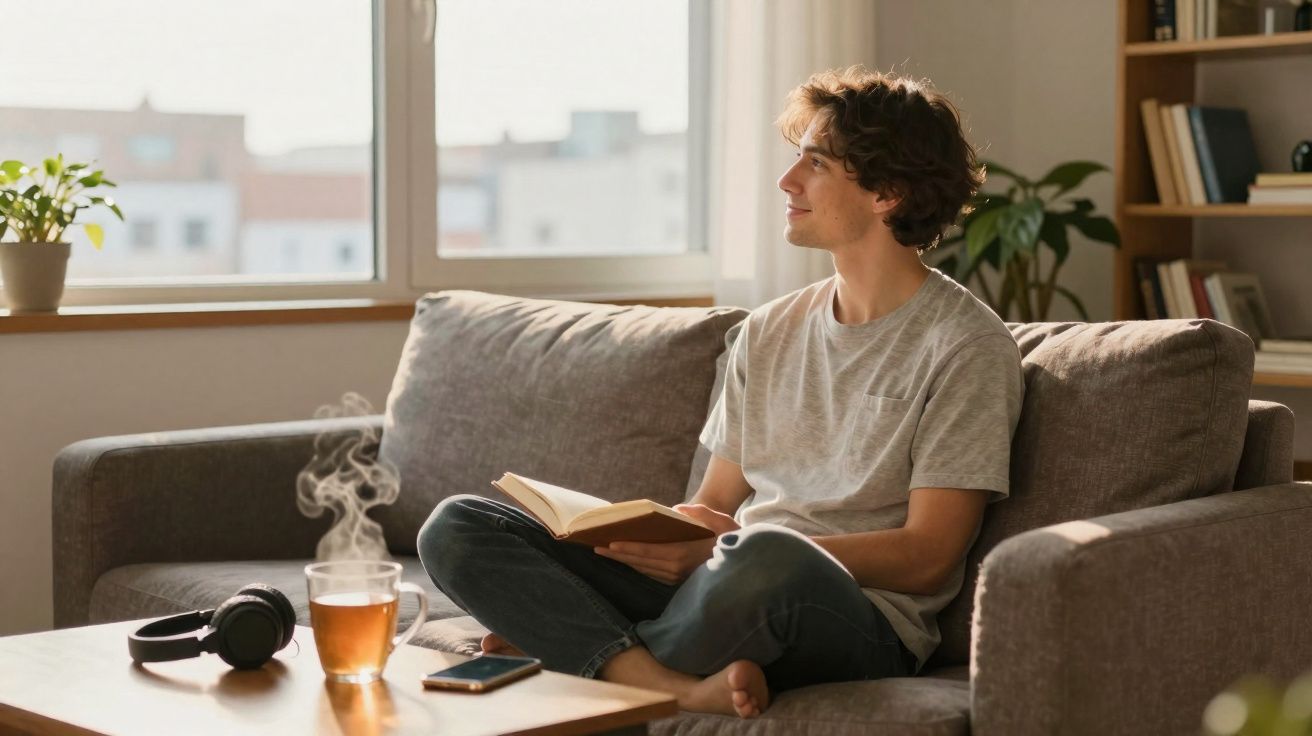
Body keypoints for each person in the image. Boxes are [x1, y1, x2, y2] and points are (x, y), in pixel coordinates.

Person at [417, 65, 1024, 719]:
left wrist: (724, 547)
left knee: (766, 555)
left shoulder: (966, 346)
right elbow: (713, 504)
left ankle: (575, 655)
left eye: (815, 164)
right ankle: (665, 685)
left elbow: (927, 557)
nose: (787, 181)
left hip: (846, 613)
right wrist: (651, 536)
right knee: (458, 524)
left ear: (888, 193)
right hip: (723, 581)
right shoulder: (769, 330)